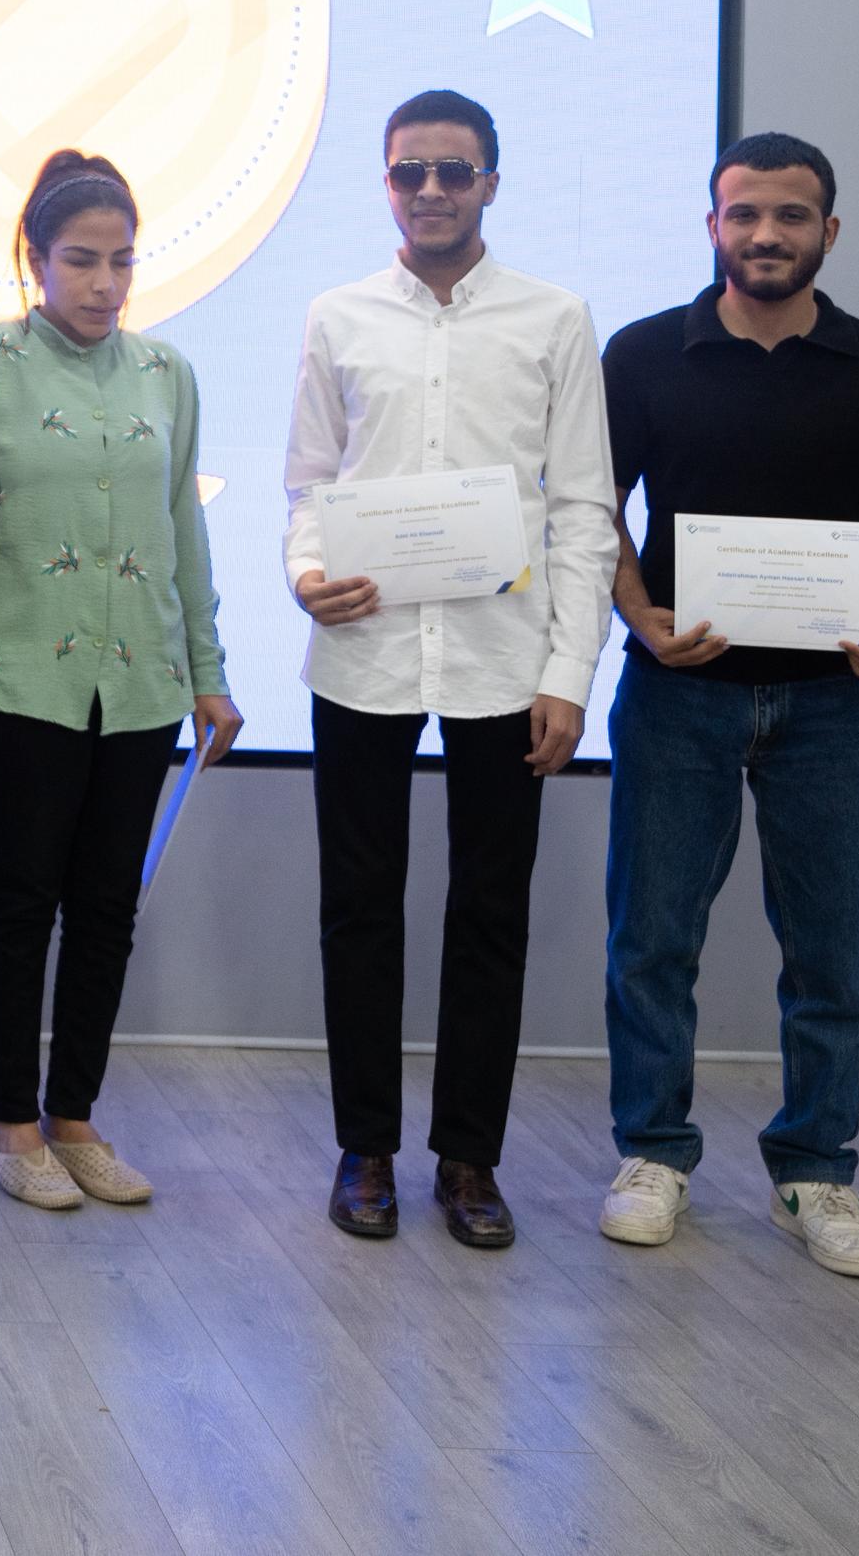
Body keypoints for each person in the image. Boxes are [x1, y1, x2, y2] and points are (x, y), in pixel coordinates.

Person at [597, 131, 859, 1280]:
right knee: (651, 940)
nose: (764, 233)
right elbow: (592, 506)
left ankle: (815, 1170)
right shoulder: (639, 354)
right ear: (711, 225)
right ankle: (651, 1153)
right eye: (742, 212)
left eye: (789, 214)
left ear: (826, 231)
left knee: (829, 953)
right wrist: (640, 616)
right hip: (676, 693)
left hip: (832, 704)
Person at [281, 89, 614, 1251]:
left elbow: (582, 506)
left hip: (501, 661)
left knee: (488, 914)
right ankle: (364, 1147)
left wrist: (568, 670)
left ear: (488, 183)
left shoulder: (552, 318)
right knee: (356, 909)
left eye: (452, 170)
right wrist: (304, 568)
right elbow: (308, 482)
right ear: (385, 182)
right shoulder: (336, 315)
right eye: (407, 170)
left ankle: (469, 1156)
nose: (429, 190)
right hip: (363, 652)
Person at [0, 150, 240, 1216]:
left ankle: (75, 1118)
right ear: (35, 257)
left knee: (107, 907)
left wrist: (208, 672)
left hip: (142, 682)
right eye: (81, 260)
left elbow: (182, 530)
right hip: (17, 680)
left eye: (122, 261)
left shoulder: (167, 373)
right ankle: (11, 1125)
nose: (105, 283)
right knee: (21, 900)